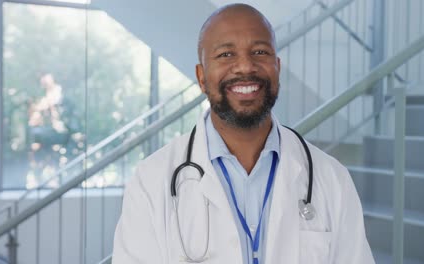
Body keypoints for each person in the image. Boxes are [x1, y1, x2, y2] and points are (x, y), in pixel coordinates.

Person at [113, 4, 374, 264]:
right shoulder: (151, 181)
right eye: (226, 54)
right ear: (202, 77)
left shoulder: (331, 178)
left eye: (260, 52)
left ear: (277, 68)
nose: (245, 66)